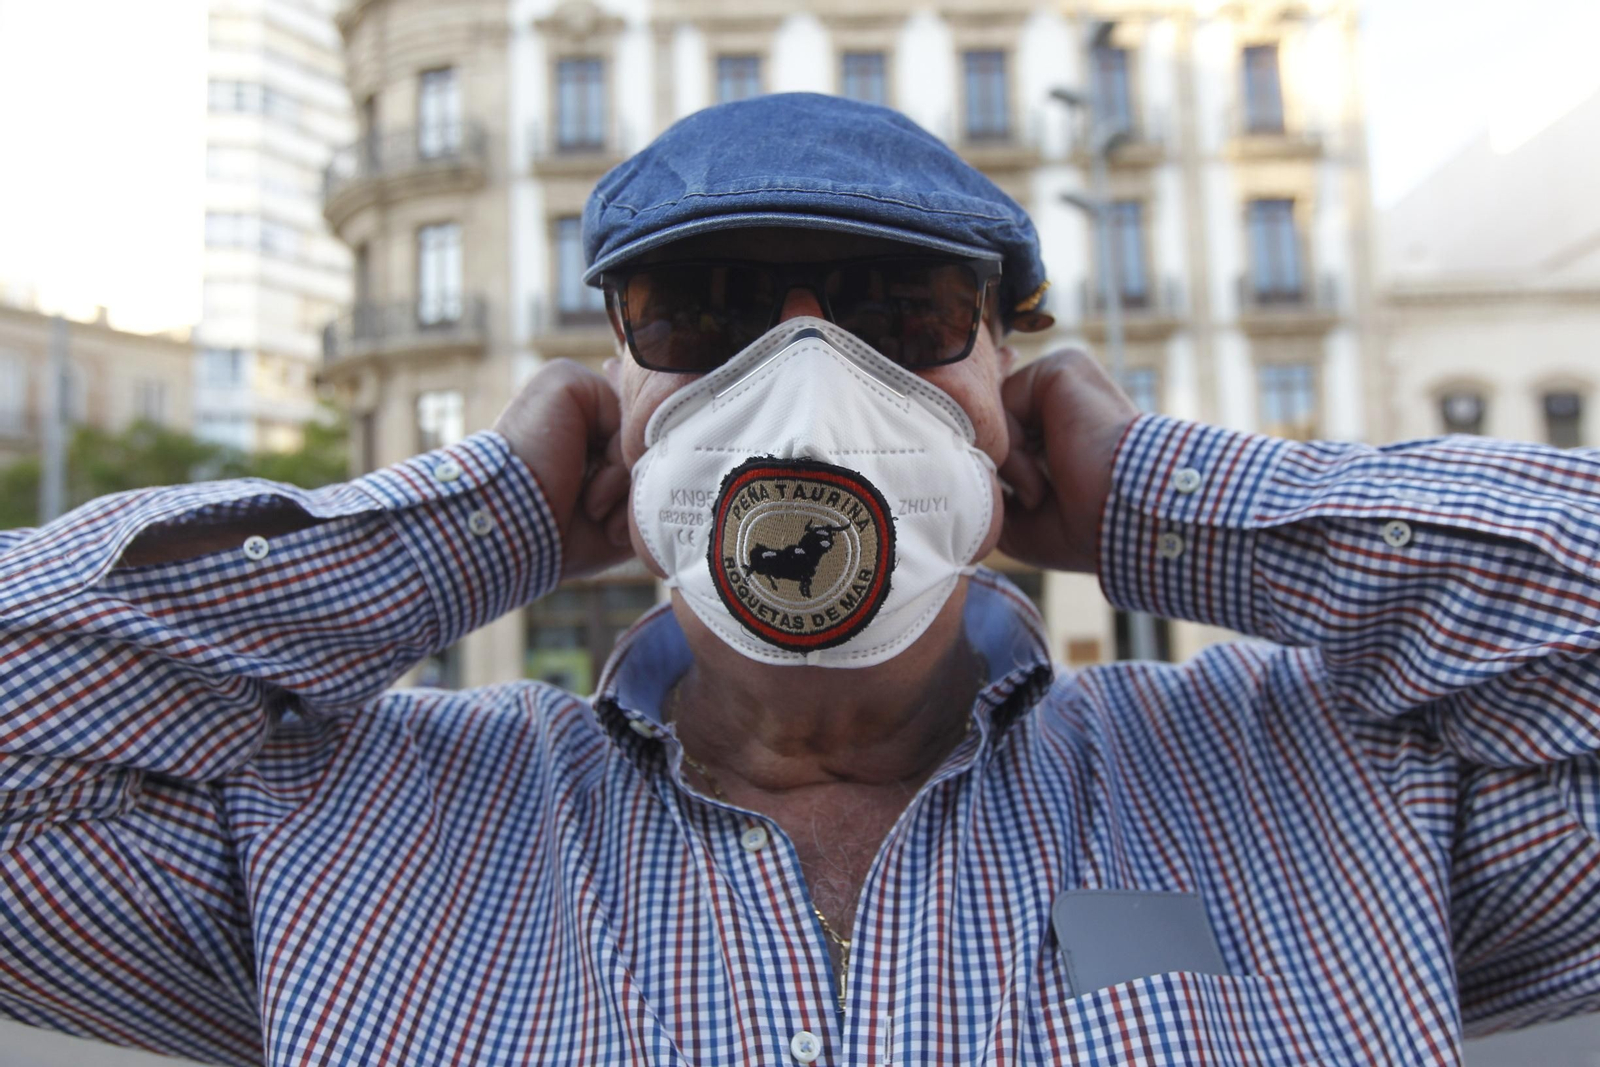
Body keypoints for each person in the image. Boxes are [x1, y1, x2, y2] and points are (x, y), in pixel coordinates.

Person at [2, 92, 1597, 1067]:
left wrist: (1164, 502)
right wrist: (469, 520)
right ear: (614, 402)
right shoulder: (341, 837)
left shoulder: (1335, 789)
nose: (807, 372)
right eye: (702, 312)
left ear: (1009, 391)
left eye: (909, 311)